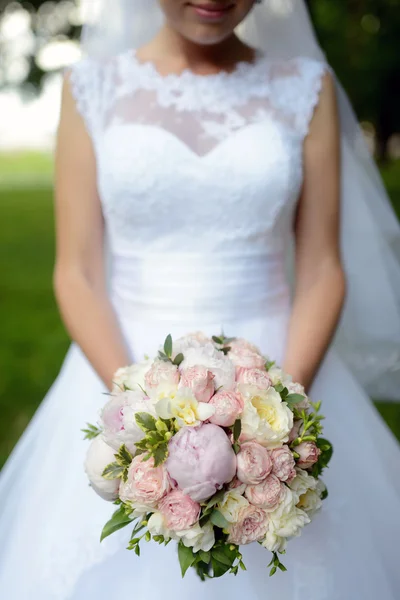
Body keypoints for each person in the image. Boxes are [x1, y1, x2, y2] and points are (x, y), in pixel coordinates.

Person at [1, 1, 400, 598]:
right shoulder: (90, 88)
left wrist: (275, 424)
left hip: (281, 371)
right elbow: (76, 272)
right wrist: (141, 423)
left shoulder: (305, 89)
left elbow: (322, 268)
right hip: (120, 367)